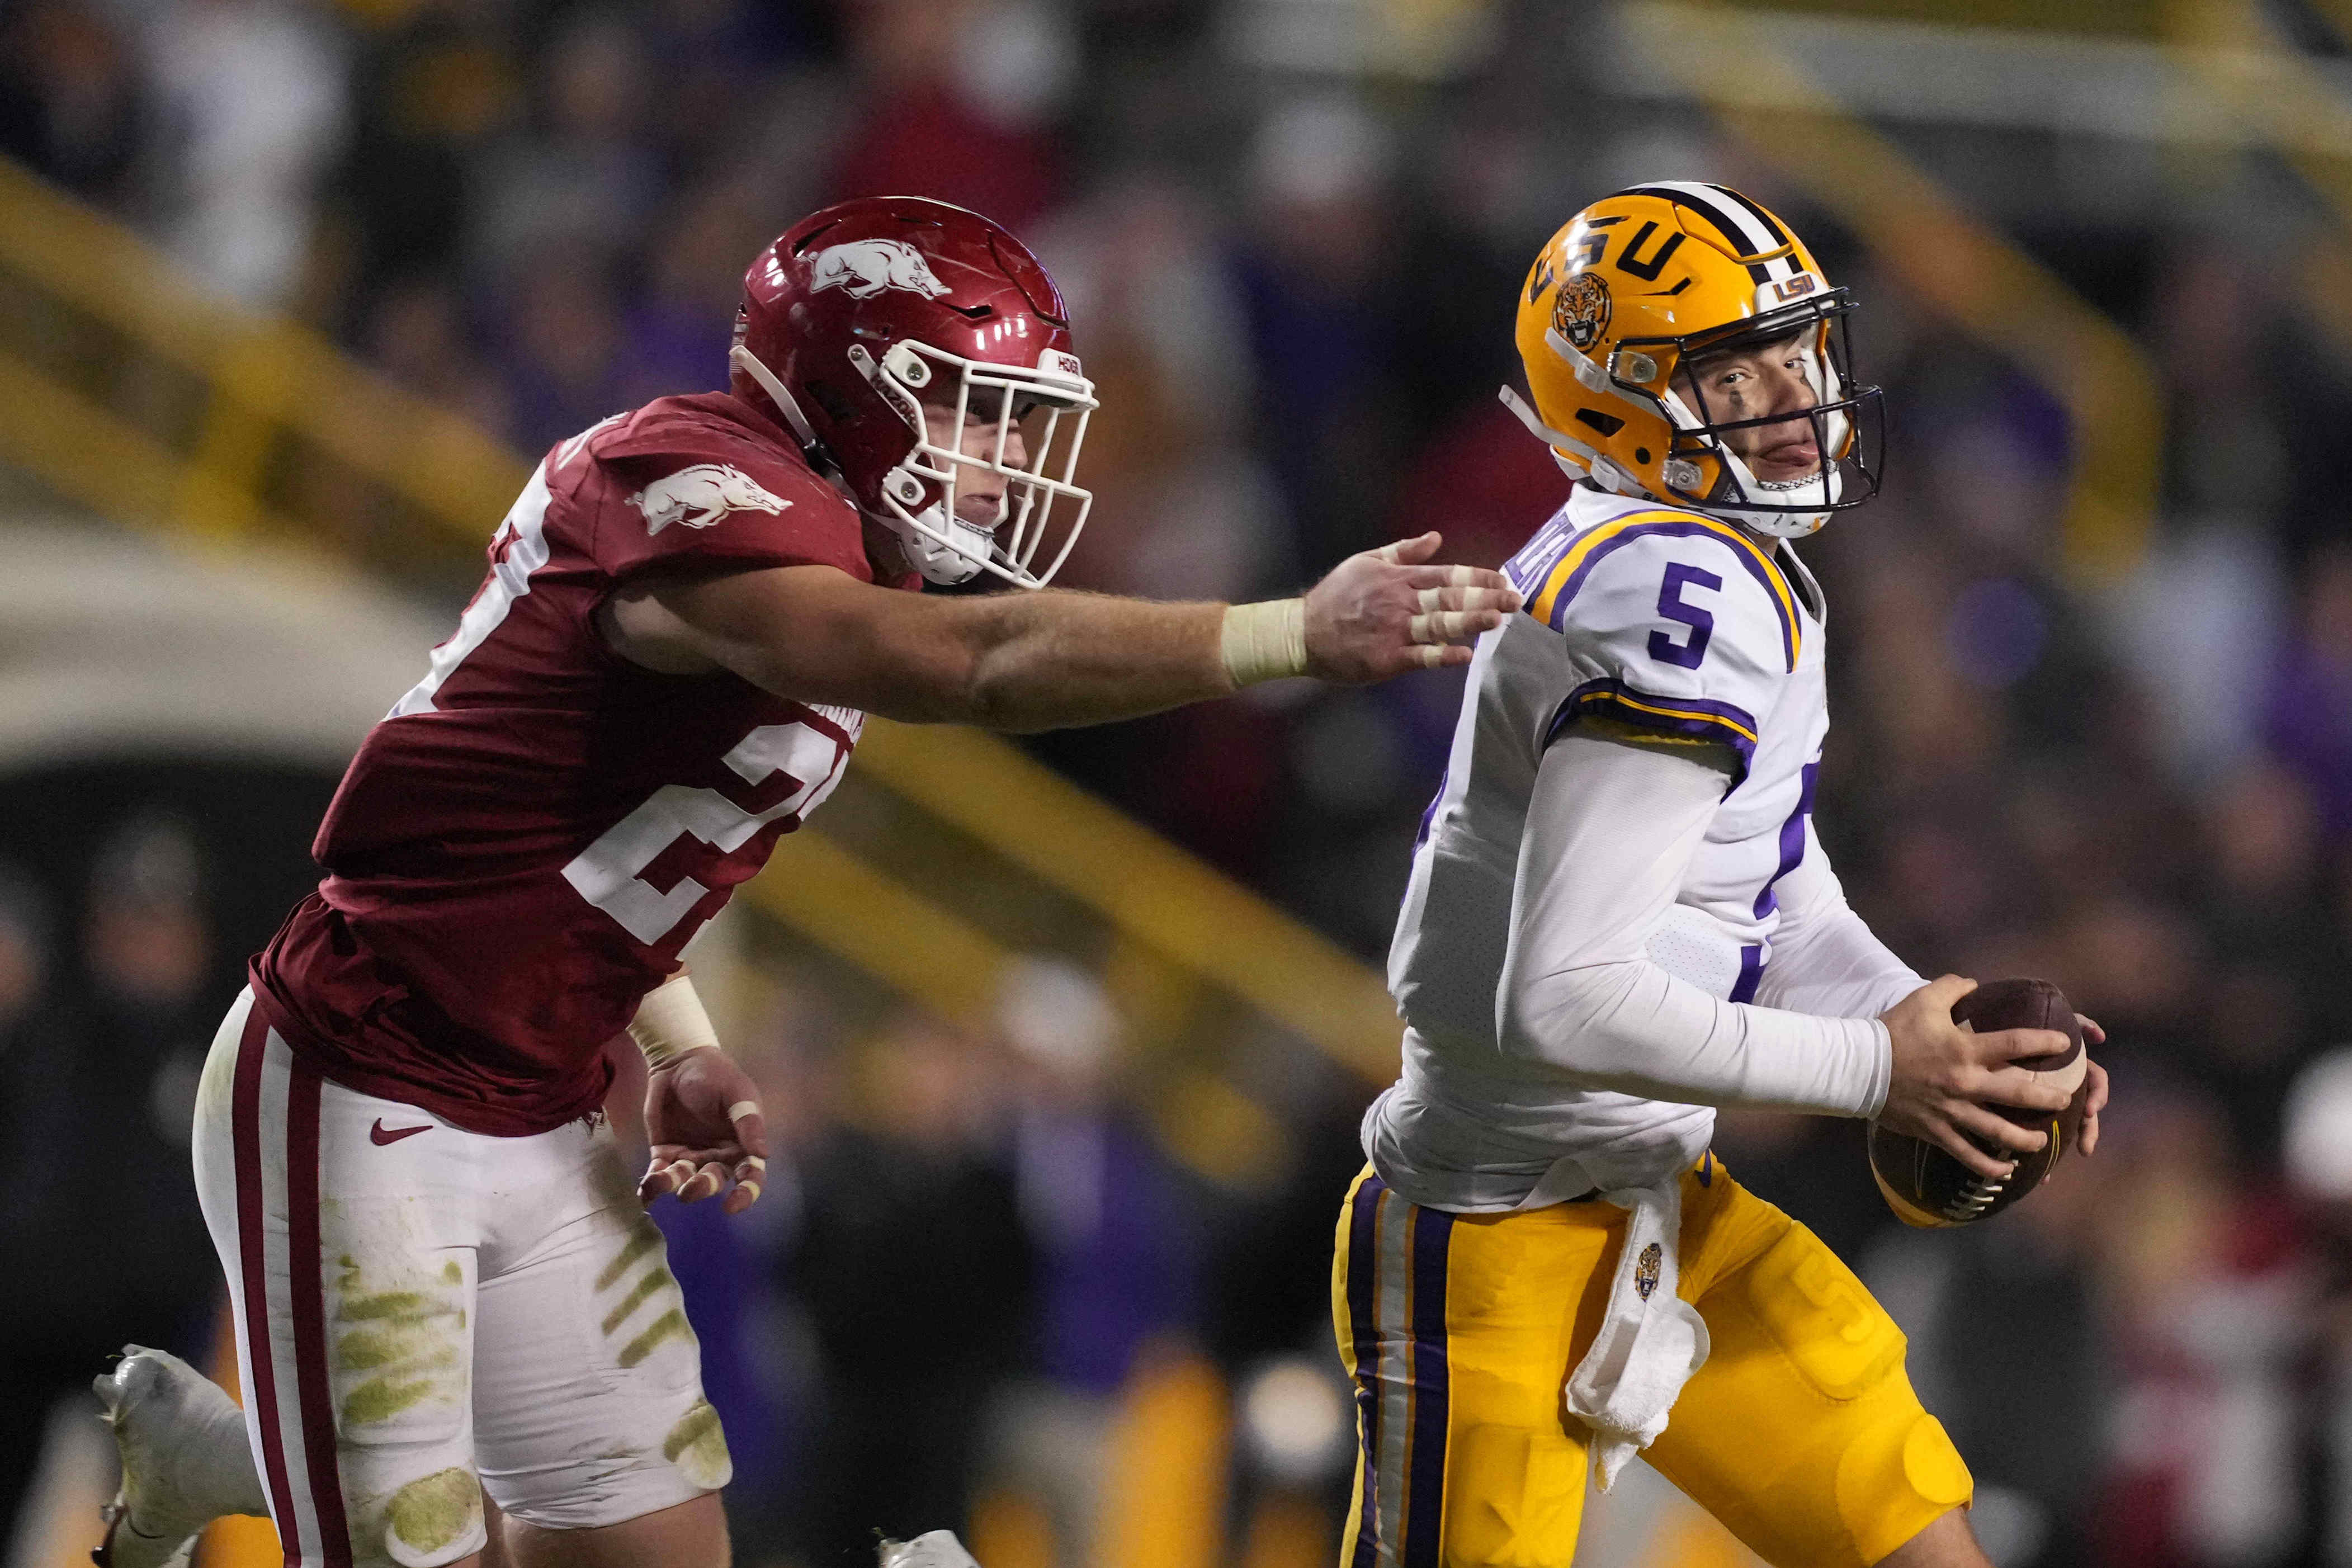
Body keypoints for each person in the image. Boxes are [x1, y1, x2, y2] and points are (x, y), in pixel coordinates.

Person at [92, 194, 1519, 1568]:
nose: (992, 457)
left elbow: (578, 842)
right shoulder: (694, 486)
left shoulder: (809, 550)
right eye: (966, 406)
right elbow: (978, 661)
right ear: (847, 386)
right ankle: (287, 1476)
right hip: (365, 1076)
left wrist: (682, 1044)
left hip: (538, 1097)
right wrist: (1287, 634)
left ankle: (255, 1463)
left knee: (646, 1546)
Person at [1332, 181, 2112, 1568]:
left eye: (1794, 349)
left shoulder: (1708, 561)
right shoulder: (1670, 593)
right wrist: (1884, 1072)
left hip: (1658, 1197)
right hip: (1493, 1234)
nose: (1795, 395)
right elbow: (1563, 999)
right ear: (1620, 401)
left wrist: (1927, 1021)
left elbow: (1775, 887)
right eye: (1733, 371)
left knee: (1919, 1534)